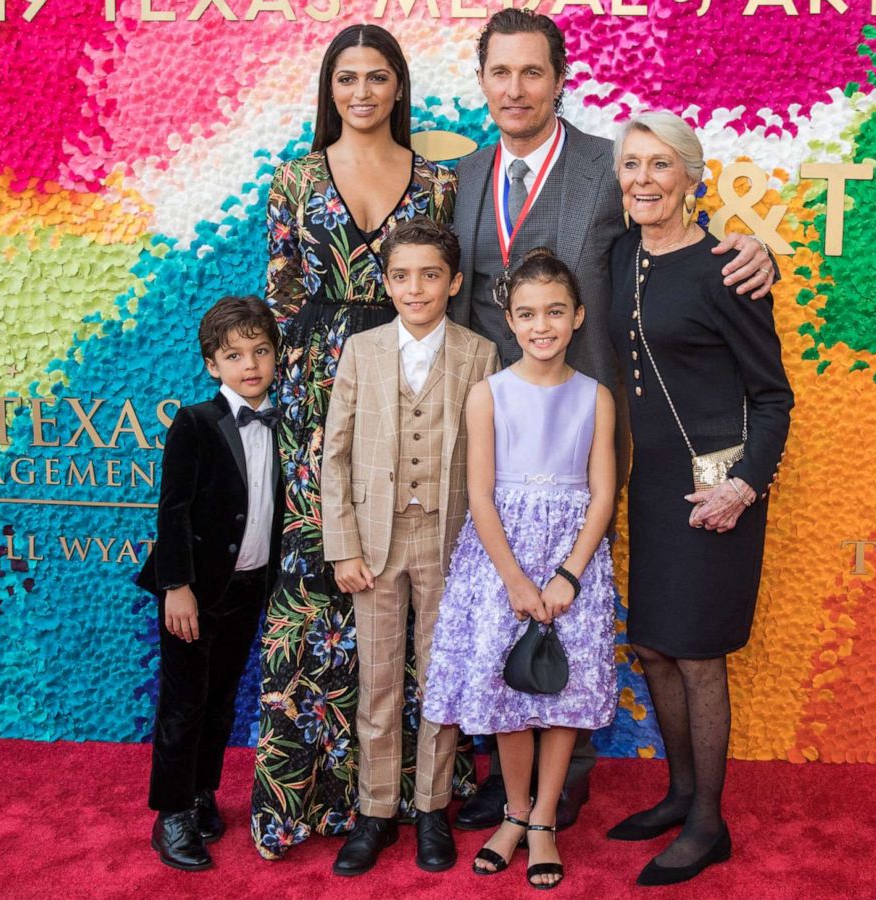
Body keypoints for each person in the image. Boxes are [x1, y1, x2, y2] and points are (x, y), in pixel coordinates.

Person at [447, 5, 778, 835]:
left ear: (561, 79)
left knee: (586, 597)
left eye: (533, 71)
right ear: (482, 80)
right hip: (499, 427)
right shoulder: (462, 176)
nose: (515, 88)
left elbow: (682, 242)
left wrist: (756, 249)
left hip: (596, 440)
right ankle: (510, 779)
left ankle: (572, 785)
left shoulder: (610, 166)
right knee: (506, 597)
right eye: (500, 71)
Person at [254, 24, 473, 859]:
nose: (361, 92)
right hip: (317, 404)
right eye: (346, 77)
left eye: (377, 77)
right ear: (329, 87)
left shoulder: (439, 183)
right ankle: (315, 800)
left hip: (414, 387)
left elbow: (455, 293)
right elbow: (280, 298)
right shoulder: (294, 180)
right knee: (323, 590)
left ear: (399, 87)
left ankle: (423, 801)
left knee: (423, 603)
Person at [605, 112, 794, 886]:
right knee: (651, 645)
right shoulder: (620, 255)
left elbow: (773, 397)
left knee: (698, 654)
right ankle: (679, 793)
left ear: (691, 176)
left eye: (659, 165)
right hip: (648, 483)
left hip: (720, 483)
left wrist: (745, 485)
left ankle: (710, 822)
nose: (643, 179)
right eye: (631, 165)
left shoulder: (727, 267)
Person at [424, 248, 618, 889]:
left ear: (578, 316)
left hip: (570, 564)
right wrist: (514, 578)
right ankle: (511, 812)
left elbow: (602, 495)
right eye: (528, 313)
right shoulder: (489, 394)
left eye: (556, 312)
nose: (543, 326)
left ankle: (543, 823)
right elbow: (479, 495)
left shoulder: (597, 398)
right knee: (510, 692)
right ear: (509, 320)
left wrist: (568, 574)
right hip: (501, 561)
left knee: (560, 694)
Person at [320, 219, 502, 876]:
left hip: (448, 543)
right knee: (377, 683)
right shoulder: (361, 352)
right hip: (374, 543)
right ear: (386, 282)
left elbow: (493, 461)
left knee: (440, 681)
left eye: (430, 275)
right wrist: (342, 546)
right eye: (402, 275)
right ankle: (374, 812)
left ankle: (430, 810)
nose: (416, 288)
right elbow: (334, 457)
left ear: (454, 282)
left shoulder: (480, 355)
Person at [136, 296, 283, 871]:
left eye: (260, 351)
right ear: (211, 366)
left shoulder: (284, 424)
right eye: (234, 355)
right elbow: (172, 510)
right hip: (192, 594)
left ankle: (202, 793)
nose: (250, 365)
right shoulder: (195, 423)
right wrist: (177, 586)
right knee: (183, 705)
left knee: (221, 701)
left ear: (275, 357)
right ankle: (170, 814)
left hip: (248, 588)